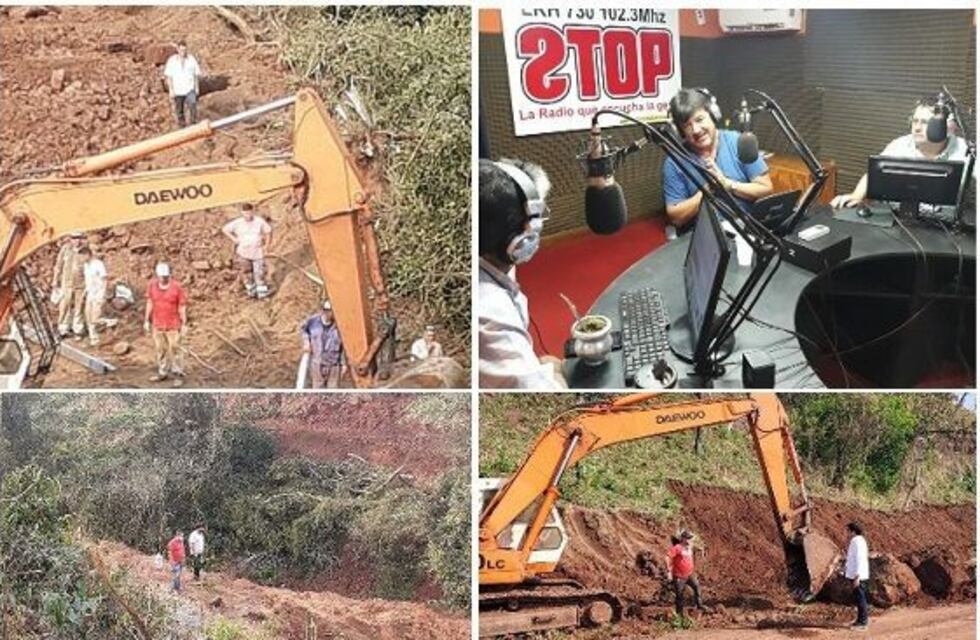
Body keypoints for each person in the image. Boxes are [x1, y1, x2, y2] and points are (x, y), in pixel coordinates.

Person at [478, 158, 565, 389]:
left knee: (548, 362)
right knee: (558, 366)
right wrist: (556, 376)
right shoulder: (490, 314)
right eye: (538, 217)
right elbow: (544, 394)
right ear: (518, 238)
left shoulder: (488, 259)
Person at [831, 95, 970, 209]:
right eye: (915, 121)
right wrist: (856, 196)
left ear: (945, 126)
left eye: (925, 122)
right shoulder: (900, 145)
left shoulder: (965, 149)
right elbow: (874, 174)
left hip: (945, 225)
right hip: (900, 220)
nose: (917, 128)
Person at [662, 88, 773, 231]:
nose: (696, 130)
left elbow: (765, 189)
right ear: (680, 131)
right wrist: (708, 190)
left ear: (713, 115)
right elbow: (676, 218)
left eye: (699, 119)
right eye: (687, 126)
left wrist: (728, 185)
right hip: (706, 236)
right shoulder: (674, 162)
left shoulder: (738, 141)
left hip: (749, 228)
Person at [144, 262, 188, 386]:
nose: (163, 279)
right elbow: (150, 302)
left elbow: (182, 306)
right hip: (157, 324)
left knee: (175, 349)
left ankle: (178, 373)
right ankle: (162, 371)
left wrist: (184, 323)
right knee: (160, 349)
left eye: (166, 277)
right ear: (157, 276)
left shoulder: (176, 287)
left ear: (169, 275)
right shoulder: (152, 286)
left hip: (173, 325)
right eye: (161, 277)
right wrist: (146, 320)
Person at [221, 203, 273, 298]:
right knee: (247, 274)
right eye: (245, 213)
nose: (247, 216)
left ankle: (262, 295)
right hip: (244, 253)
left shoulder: (259, 221)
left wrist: (267, 246)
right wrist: (234, 239)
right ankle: (251, 293)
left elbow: (268, 231)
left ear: (253, 211)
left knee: (259, 273)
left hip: (257, 252)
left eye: (249, 213)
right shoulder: (238, 223)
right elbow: (225, 229)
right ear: (242, 213)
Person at [300, 300, 347, 388]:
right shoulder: (313, 322)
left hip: (333, 366)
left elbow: (343, 346)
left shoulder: (339, 325)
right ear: (324, 311)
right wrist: (306, 342)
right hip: (317, 364)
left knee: (333, 392)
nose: (331, 314)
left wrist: (343, 364)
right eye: (329, 311)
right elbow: (304, 331)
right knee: (318, 392)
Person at [51, 232, 87, 338]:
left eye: (79, 238)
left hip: (81, 284)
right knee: (64, 306)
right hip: (66, 283)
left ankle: (78, 329)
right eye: (75, 238)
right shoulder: (65, 250)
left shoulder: (85, 251)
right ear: (71, 239)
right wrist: (55, 280)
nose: (77, 241)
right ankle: (63, 328)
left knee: (79, 307)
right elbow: (58, 266)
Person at [666, 529, 704, 620]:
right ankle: (679, 615)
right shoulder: (677, 548)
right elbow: (668, 557)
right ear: (683, 539)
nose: (690, 540)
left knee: (697, 587)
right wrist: (668, 571)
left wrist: (701, 549)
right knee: (680, 595)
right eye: (688, 538)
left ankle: (699, 608)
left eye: (691, 539)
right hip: (679, 575)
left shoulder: (690, 546)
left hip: (689, 574)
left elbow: (697, 547)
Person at [163, 40, 201, 127]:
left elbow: (196, 75)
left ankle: (193, 123)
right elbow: (169, 77)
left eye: (185, 50)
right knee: (179, 109)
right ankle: (182, 125)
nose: (183, 52)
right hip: (178, 89)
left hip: (189, 88)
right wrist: (171, 90)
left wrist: (196, 87)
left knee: (193, 104)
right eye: (181, 50)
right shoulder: (172, 61)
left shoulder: (191, 59)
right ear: (178, 50)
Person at [844, 521, 870, 630]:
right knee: (859, 598)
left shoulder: (856, 541)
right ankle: (860, 620)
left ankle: (863, 623)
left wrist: (857, 576)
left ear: (853, 531)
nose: (846, 533)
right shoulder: (860, 540)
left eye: (847, 530)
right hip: (857, 574)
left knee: (860, 599)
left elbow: (859, 559)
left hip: (858, 575)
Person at [81, 246, 107, 347]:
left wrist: (102, 293)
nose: (82, 258)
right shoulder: (86, 265)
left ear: (88, 254)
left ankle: (109, 323)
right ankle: (93, 339)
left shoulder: (98, 264)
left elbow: (104, 279)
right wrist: (85, 292)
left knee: (95, 317)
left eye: (83, 255)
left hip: (98, 293)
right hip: (90, 293)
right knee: (88, 316)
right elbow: (88, 280)